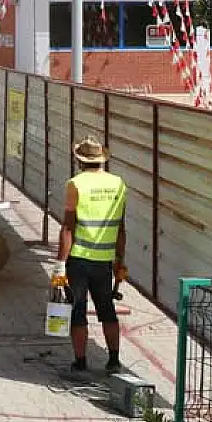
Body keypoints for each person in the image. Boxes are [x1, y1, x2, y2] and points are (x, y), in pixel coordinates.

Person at [53, 137, 127, 374]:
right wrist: (120, 262)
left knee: (78, 309)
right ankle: (114, 360)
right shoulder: (118, 184)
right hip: (104, 261)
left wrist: (60, 264)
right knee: (107, 309)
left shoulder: (76, 184)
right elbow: (121, 228)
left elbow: (68, 228)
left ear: (79, 160)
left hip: (79, 259)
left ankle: (81, 362)